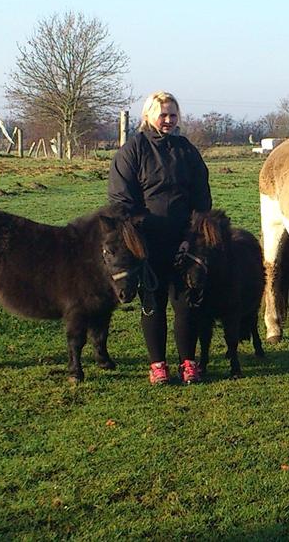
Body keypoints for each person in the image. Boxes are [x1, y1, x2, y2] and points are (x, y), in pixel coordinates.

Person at [109, 91, 212, 385]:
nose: (168, 120)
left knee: (185, 303)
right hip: (147, 243)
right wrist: (139, 240)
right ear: (148, 116)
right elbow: (121, 200)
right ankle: (158, 365)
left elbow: (202, 198)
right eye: (163, 114)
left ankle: (188, 363)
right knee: (152, 303)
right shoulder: (133, 151)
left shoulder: (187, 150)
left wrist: (190, 237)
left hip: (183, 241)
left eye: (173, 115)